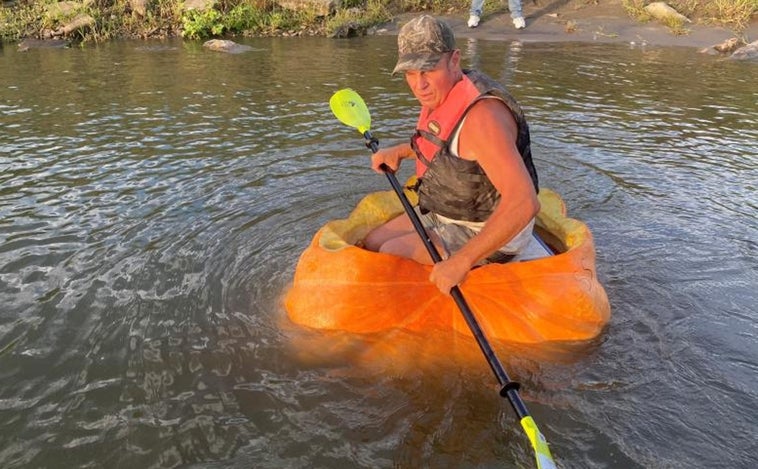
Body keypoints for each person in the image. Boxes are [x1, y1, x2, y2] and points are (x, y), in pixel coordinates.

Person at [363, 15, 549, 294]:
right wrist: (400, 151)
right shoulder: (446, 91)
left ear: (454, 60)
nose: (419, 85)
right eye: (410, 73)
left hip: (488, 230)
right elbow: (442, 142)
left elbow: (524, 203)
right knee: (374, 242)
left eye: (428, 70)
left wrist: (462, 260)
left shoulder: (483, 120)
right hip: (449, 211)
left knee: (391, 251)